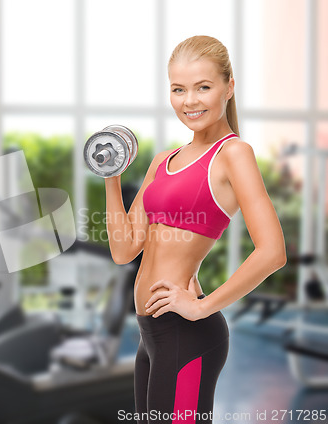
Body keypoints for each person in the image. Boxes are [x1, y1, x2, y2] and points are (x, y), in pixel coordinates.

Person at [104, 35, 286, 424]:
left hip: (186, 334)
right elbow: (123, 250)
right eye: (178, 89)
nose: (190, 101)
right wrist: (111, 178)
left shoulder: (233, 154)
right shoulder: (163, 160)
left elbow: (272, 251)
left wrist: (203, 306)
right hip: (150, 333)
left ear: (229, 86)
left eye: (203, 87)